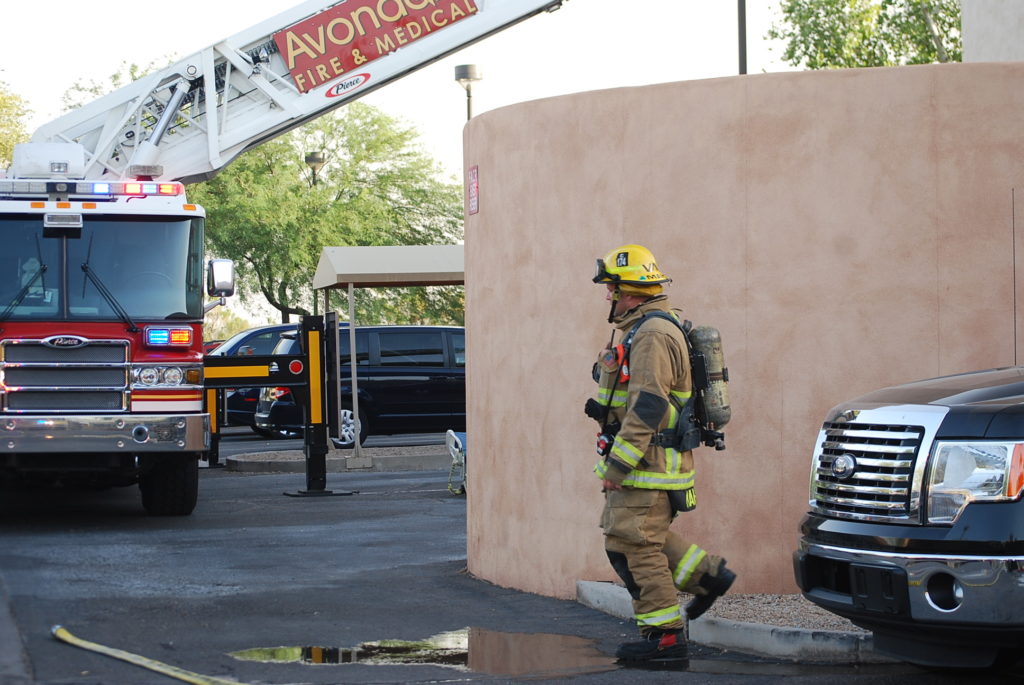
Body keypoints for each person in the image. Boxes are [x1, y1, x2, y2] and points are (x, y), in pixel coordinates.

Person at [587, 244, 735, 666]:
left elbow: (649, 405)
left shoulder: (652, 334)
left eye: (611, 288)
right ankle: (707, 577)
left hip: (647, 464)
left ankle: (665, 641)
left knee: (633, 546)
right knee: (639, 537)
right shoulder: (644, 328)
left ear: (630, 291)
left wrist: (619, 463)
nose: (608, 295)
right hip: (649, 462)